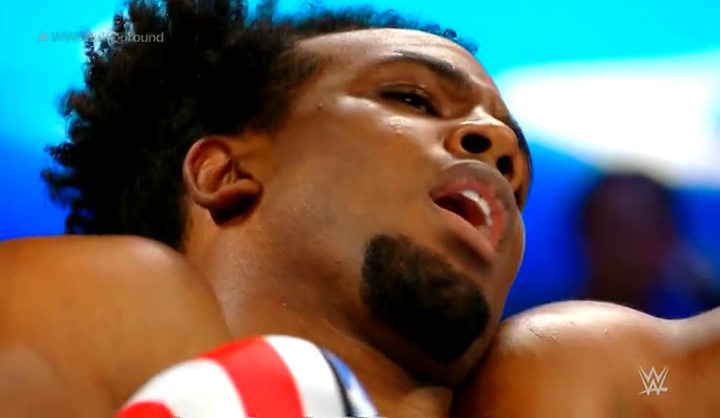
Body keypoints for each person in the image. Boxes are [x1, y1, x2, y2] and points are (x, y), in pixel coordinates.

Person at [0, 0, 531, 416]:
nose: (499, 145)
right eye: (412, 99)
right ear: (223, 172)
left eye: (520, 182)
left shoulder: (565, 368)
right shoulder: (84, 304)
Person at [577, 172, 718, 319]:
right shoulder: (563, 321)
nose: (624, 251)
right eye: (614, 230)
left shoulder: (698, 319)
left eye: (640, 232)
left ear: (669, 237)